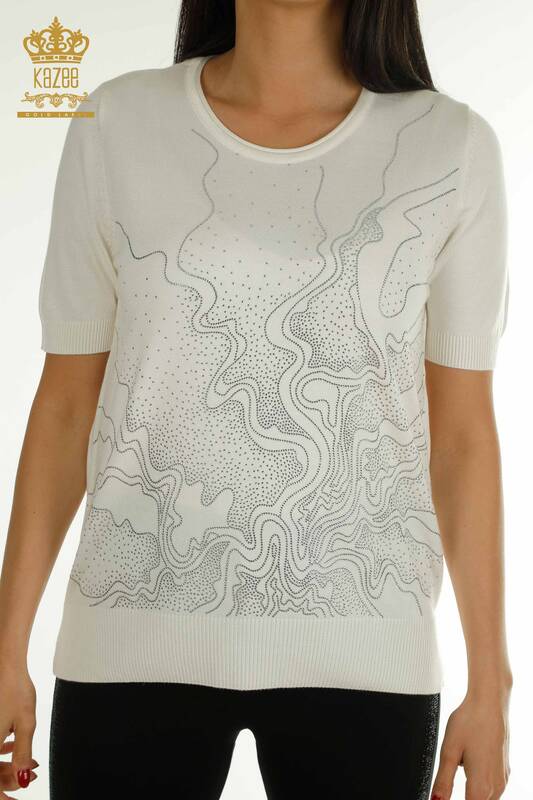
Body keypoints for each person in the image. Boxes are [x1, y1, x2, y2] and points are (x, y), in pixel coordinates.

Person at [0, 1, 513, 798]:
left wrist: (491, 683)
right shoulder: (116, 123)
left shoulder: (448, 145)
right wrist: (6, 650)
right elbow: (68, 403)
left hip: (366, 654)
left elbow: (461, 435)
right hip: (128, 642)